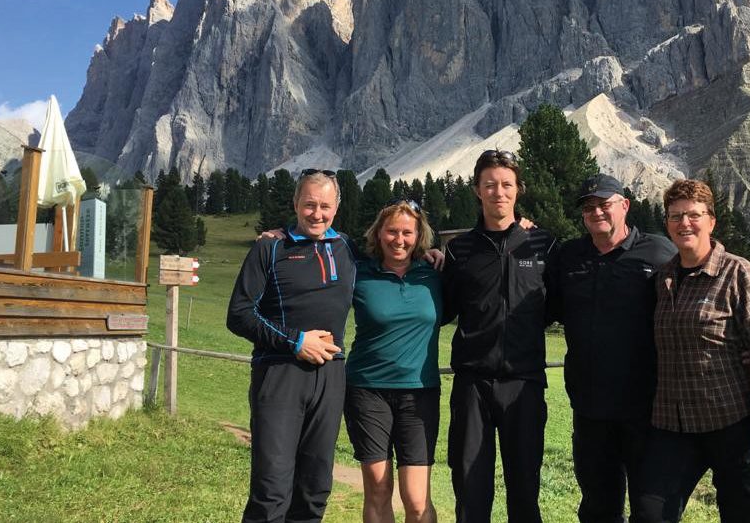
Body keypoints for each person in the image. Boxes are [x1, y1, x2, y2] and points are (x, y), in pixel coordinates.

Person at [637, 178, 750, 523]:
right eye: (675, 217)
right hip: (673, 425)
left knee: (744, 516)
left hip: (733, 422)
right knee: (649, 515)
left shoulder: (739, 274)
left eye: (693, 215)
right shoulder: (662, 279)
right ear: (667, 224)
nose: (684, 224)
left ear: (711, 221)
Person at [226, 169, 357, 523]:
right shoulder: (270, 247)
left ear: (337, 207)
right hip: (280, 374)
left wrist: (431, 257)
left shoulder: (347, 248)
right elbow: (238, 314)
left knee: (315, 490)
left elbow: (397, 253)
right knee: (272, 491)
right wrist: (295, 341)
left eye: (325, 206)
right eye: (309, 204)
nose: (317, 213)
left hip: (331, 378)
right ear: (295, 203)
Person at [546, 174, 677, 523]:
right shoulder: (568, 256)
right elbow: (539, 304)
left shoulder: (660, 250)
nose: (596, 212)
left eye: (604, 204)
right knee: (598, 510)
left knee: (653, 513)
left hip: (647, 411)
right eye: (588, 207)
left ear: (624, 205)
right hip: (590, 410)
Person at [442, 149, 557, 523]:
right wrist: (420, 260)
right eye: (489, 185)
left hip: (524, 383)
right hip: (472, 383)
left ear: (518, 190)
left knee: (525, 492)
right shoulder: (458, 249)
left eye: (506, 184)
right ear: (477, 190)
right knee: (471, 491)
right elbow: (444, 308)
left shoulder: (543, 244)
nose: (498, 192)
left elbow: (555, 306)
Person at [344, 199, 443, 523]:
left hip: (420, 393)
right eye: (392, 231)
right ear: (379, 233)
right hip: (367, 391)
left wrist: (523, 224)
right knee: (378, 490)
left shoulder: (434, 272)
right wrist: (278, 234)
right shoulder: (359, 273)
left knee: (416, 500)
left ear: (419, 236)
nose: (399, 239)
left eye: (407, 233)